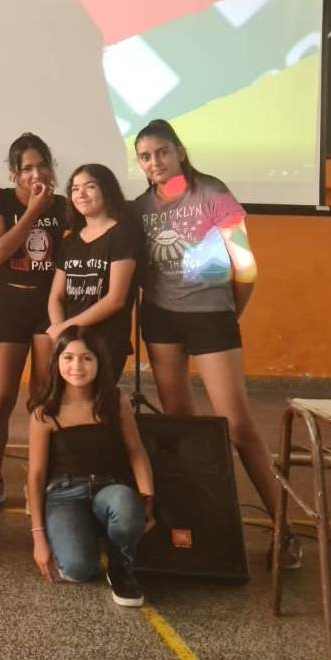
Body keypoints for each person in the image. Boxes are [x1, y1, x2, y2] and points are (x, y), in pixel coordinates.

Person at [130, 118, 299, 568]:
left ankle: (284, 529)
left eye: (162, 152)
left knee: (238, 426)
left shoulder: (212, 193)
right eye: (145, 156)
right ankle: (199, 523)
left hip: (211, 317)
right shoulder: (140, 208)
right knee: (180, 426)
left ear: (180, 152)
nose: (155, 162)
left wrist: (227, 314)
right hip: (161, 320)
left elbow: (246, 267)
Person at [0, 133, 68, 512]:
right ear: (14, 172)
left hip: (47, 313)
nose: (36, 174)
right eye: (27, 168)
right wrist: (32, 211)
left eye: (42, 165)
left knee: (43, 398)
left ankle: (39, 480)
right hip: (9, 312)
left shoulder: (63, 206)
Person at [27, 328, 154, 607]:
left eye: (87, 358)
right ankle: (89, 533)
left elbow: (136, 450)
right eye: (69, 357)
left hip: (109, 488)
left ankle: (121, 565)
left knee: (126, 505)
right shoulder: (44, 412)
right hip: (64, 496)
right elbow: (35, 476)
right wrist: (38, 537)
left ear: (99, 362)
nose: (77, 366)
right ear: (57, 362)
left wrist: (147, 497)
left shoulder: (115, 402)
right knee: (77, 569)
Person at [47, 163, 138, 381]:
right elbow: (56, 297)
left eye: (90, 187)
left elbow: (116, 299)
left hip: (106, 341)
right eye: (75, 189)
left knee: (99, 400)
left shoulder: (122, 234)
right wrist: (62, 333)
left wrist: (65, 326)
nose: (81, 194)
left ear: (107, 190)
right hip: (71, 341)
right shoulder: (70, 241)